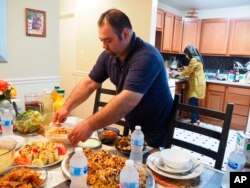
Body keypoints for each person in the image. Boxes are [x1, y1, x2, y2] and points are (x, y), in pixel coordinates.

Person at [53, 8, 173, 147]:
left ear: (125, 34)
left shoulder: (147, 57)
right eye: (101, 40)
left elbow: (127, 100)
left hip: (157, 131)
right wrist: (66, 107)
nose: (104, 46)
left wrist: (89, 125)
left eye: (108, 40)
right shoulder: (109, 55)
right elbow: (89, 83)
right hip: (134, 127)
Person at [172, 45, 206, 125]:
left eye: (186, 54)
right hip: (199, 83)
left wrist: (177, 73)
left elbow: (188, 72)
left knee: (192, 102)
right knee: (195, 102)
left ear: (189, 53)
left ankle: (194, 121)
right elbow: (192, 70)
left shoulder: (194, 59)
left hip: (196, 84)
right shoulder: (198, 58)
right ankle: (197, 119)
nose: (186, 56)